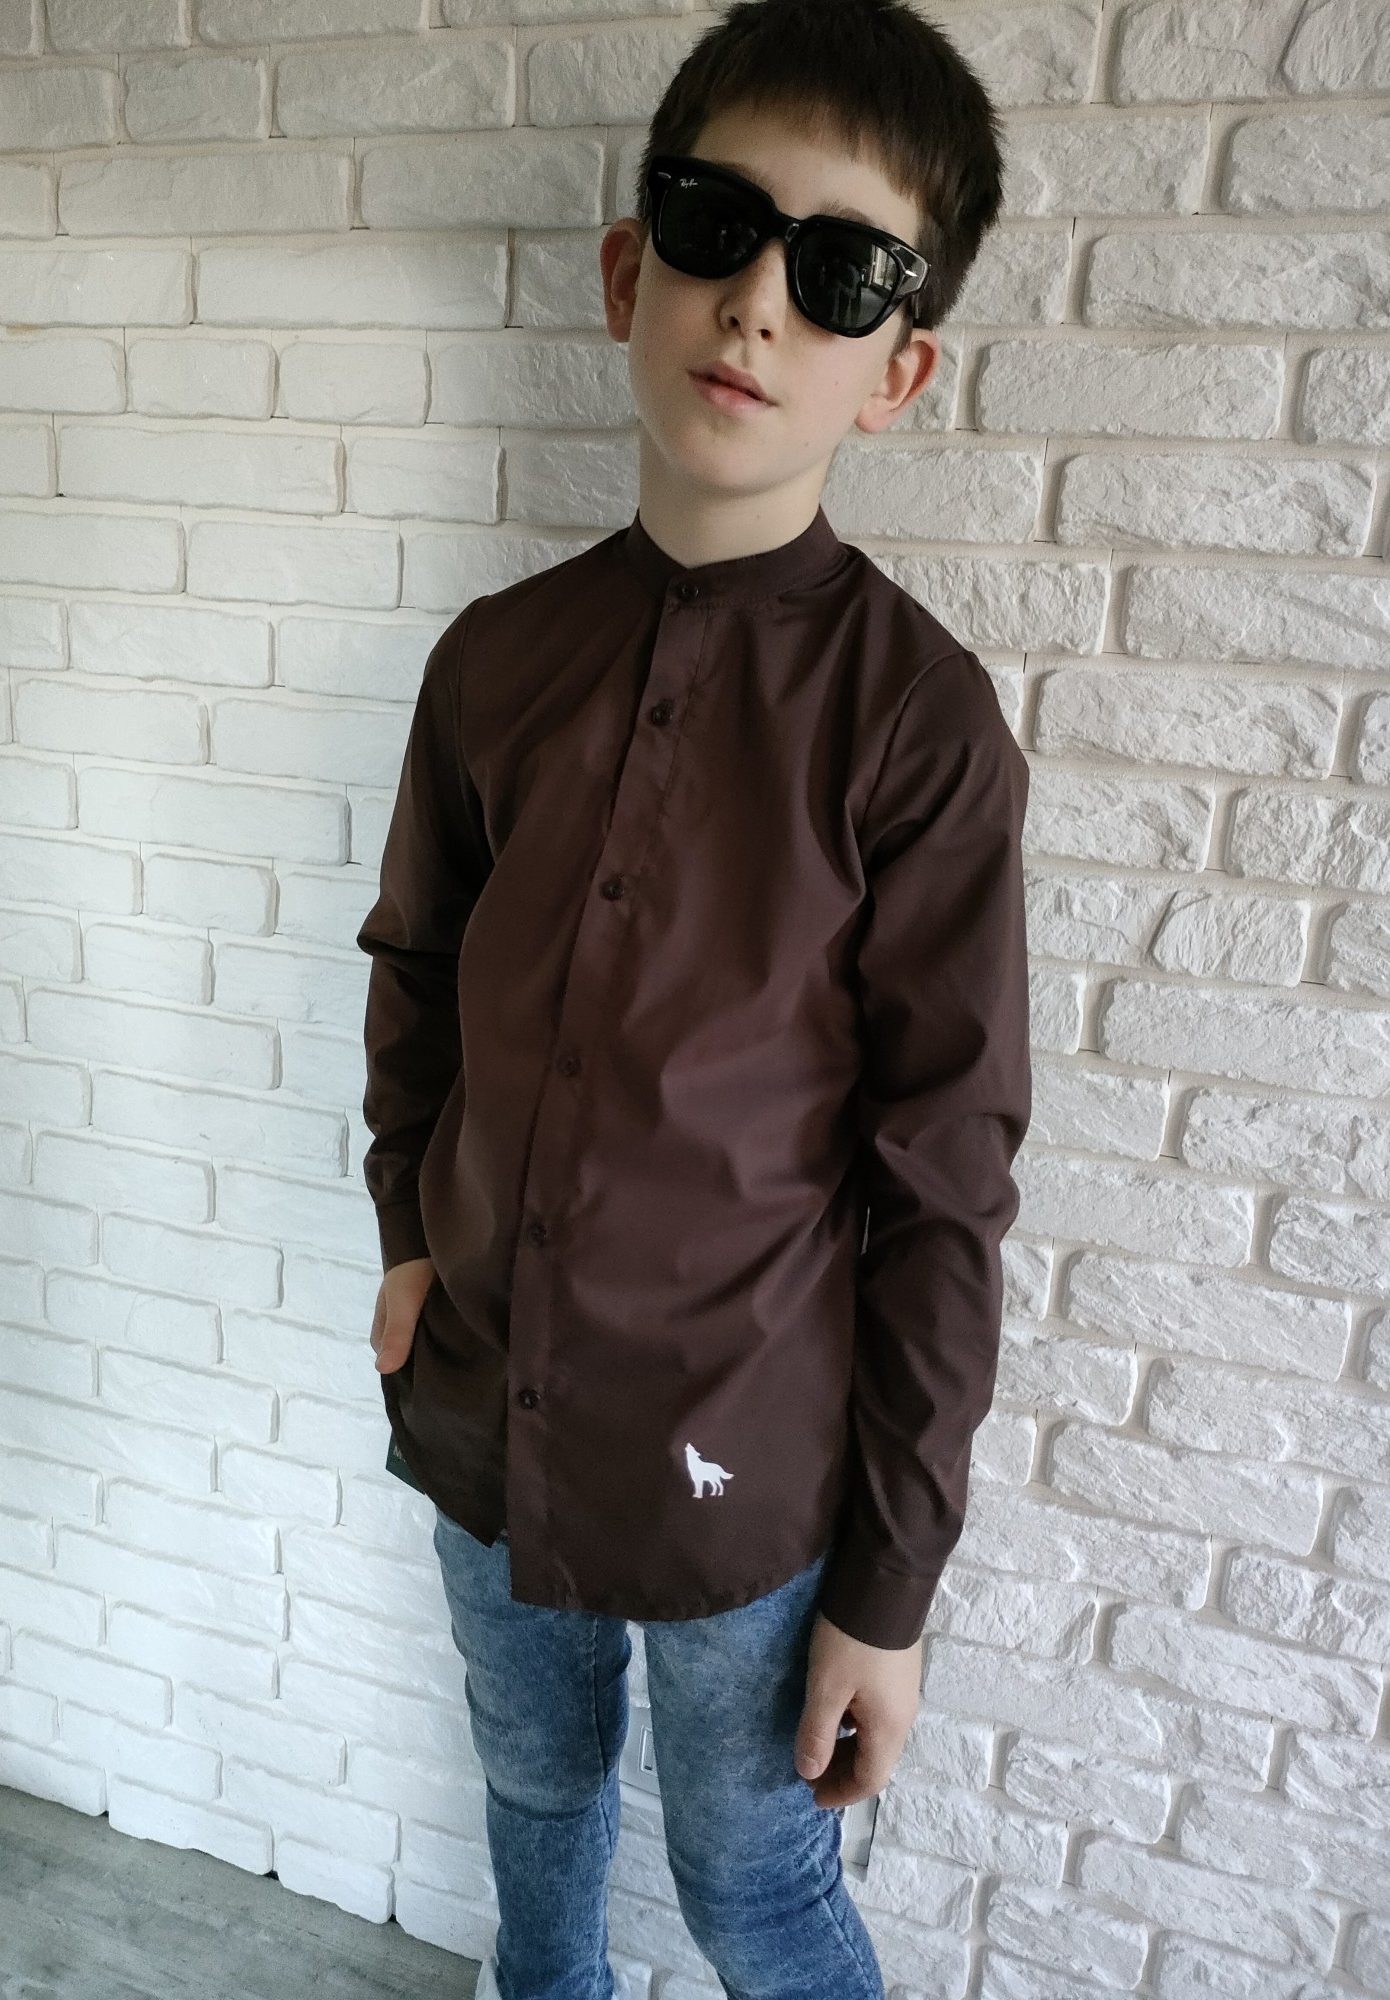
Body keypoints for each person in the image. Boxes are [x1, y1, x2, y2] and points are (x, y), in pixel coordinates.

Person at [355, 2, 1028, 1994]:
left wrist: (888, 1587)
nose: (757, 304)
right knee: (532, 1795)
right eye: (716, 227)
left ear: (896, 370)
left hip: (750, 1462)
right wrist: (406, 1225)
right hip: (485, 1401)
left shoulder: (918, 731)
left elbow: (944, 1179)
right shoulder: (494, 664)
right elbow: (416, 972)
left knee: (755, 1887)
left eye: (841, 273)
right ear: (627, 269)